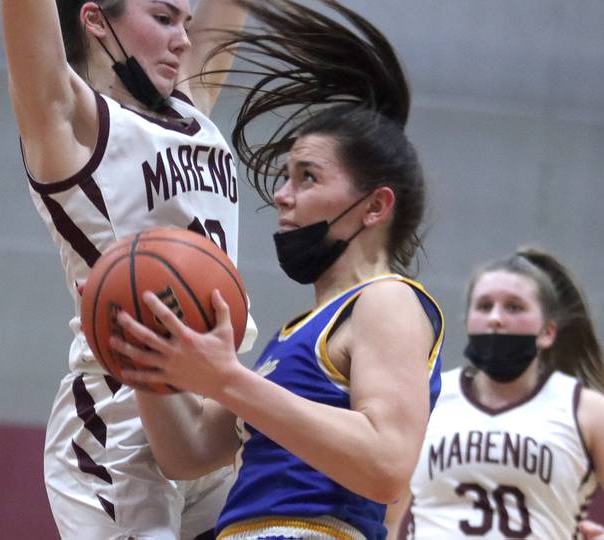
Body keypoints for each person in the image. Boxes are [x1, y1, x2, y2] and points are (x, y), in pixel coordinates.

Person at [107, 1, 444, 538]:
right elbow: (187, 453)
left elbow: (385, 465)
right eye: (286, 176)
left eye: (307, 177)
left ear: (376, 206)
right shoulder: (292, 338)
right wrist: (143, 354)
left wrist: (229, 380)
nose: (282, 196)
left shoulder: (388, 300)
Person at [0, 0, 256, 538]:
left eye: (186, 22)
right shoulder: (68, 121)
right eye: (164, 19)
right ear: (94, 20)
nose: (184, 39)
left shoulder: (190, 106)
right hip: (119, 419)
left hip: (215, 403)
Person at [393, 248, 604, 539]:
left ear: (548, 331)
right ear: (467, 321)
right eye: (484, 306)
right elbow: (388, 516)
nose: (496, 318)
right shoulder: (429, 398)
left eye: (514, 307)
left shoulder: (585, 411)